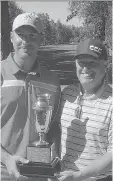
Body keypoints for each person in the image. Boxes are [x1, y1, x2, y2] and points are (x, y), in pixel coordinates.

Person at [1, 12, 61, 181]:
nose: (26, 41)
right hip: (3, 172)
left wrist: (54, 150)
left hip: (41, 173)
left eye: (33, 35)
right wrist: (6, 159)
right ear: (12, 37)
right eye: (21, 35)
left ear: (41, 39)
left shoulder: (52, 79)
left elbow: (55, 123)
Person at [56, 38, 112, 181]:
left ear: (105, 65)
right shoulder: (67, 94)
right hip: (64, 177)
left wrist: (79, 176)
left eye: (92, 62)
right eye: (81, 62)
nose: (85, 68)